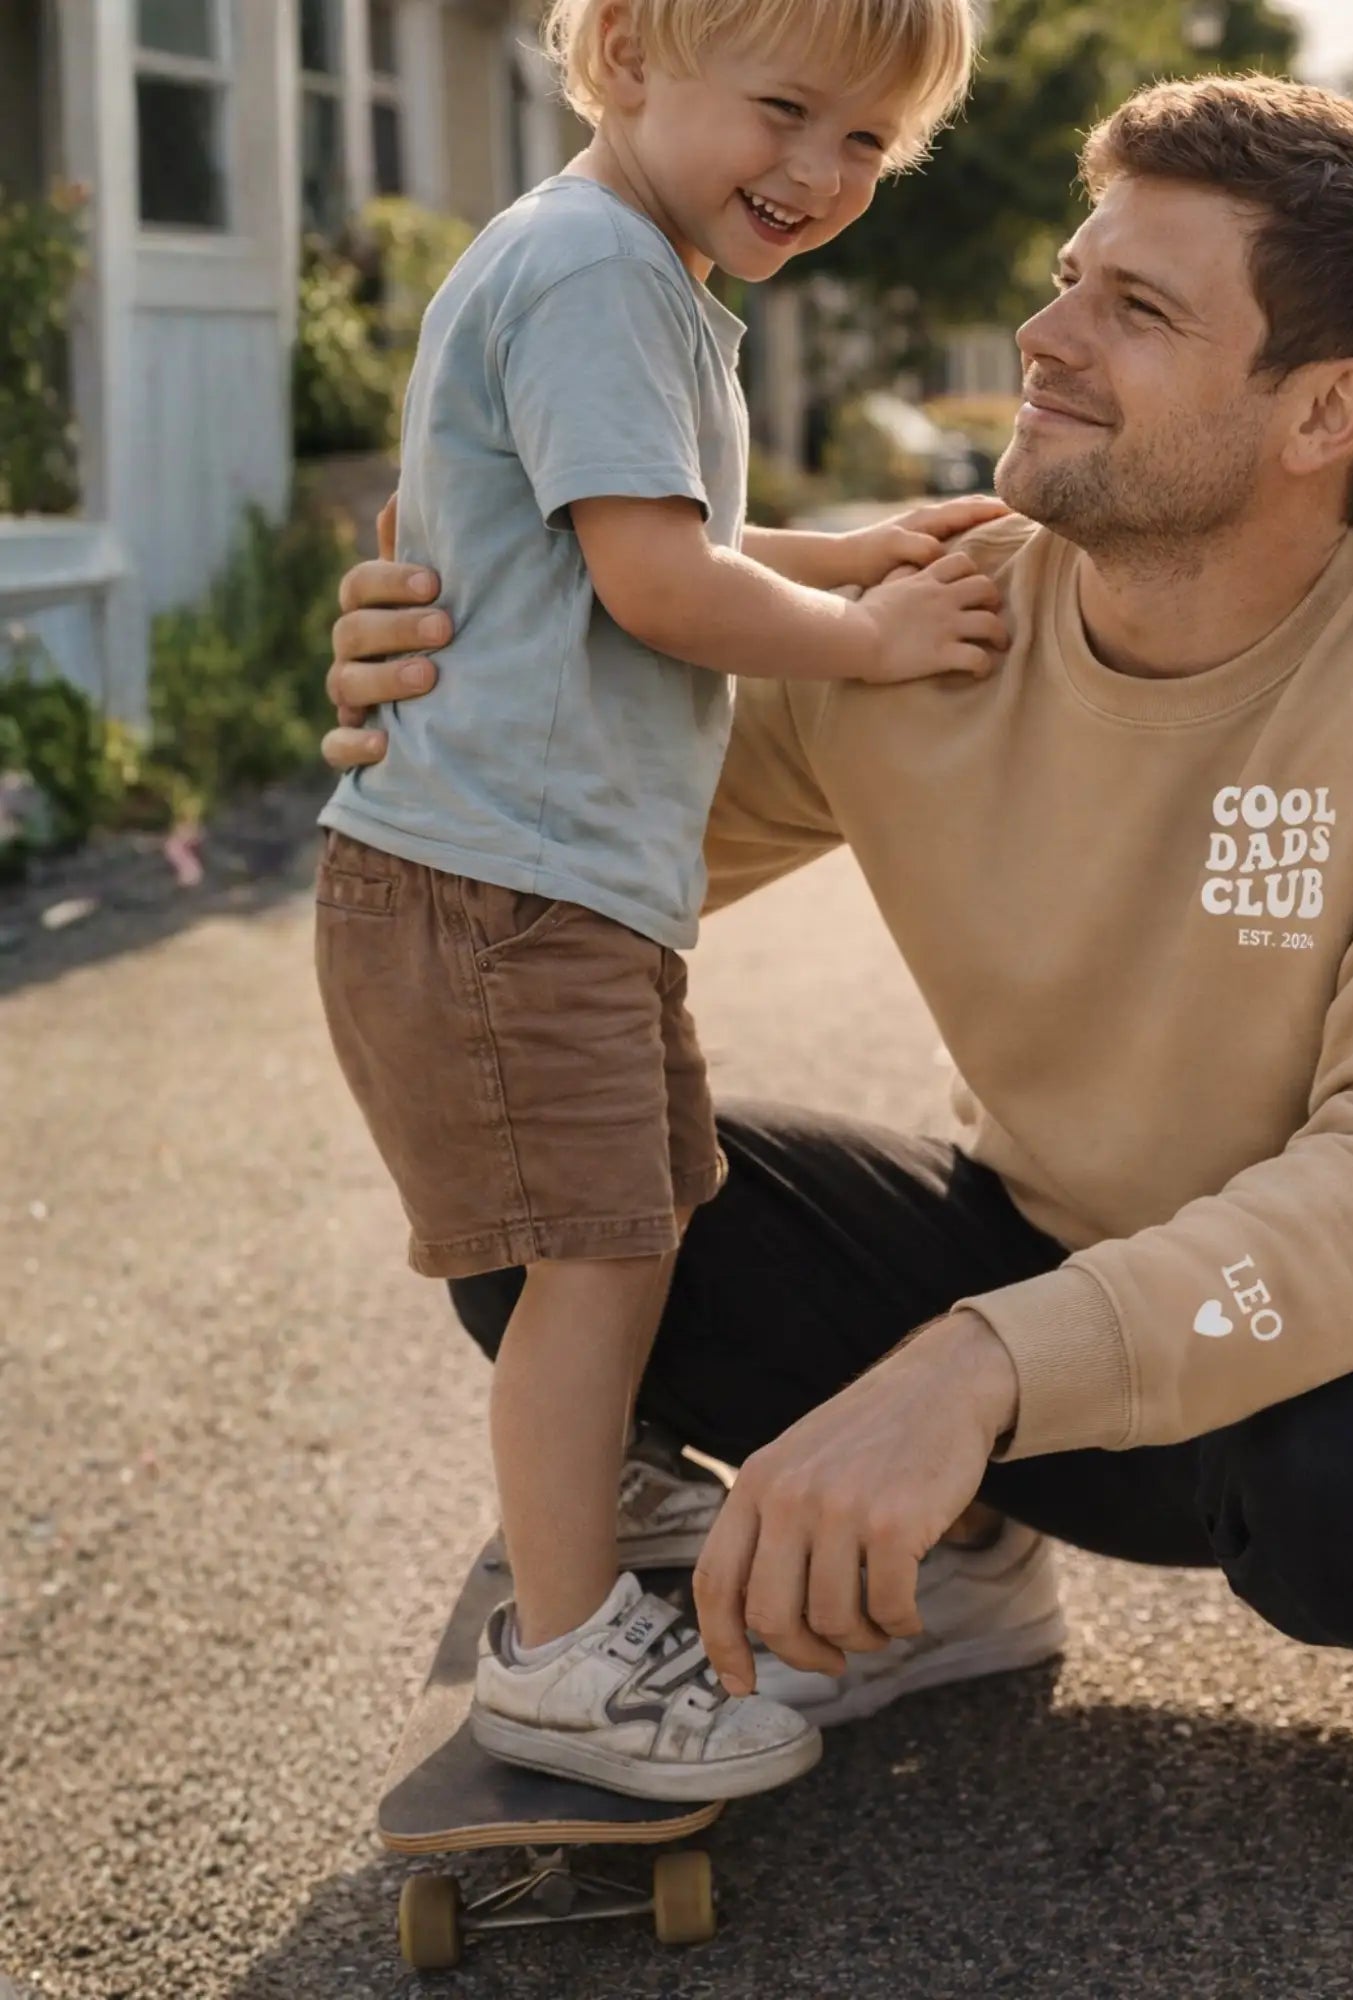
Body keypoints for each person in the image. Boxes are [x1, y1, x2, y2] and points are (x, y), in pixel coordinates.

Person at [325, 74, 1353, 1903]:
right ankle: (951, 1570)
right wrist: (449, 695)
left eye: (1137, 311)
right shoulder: (931, 614)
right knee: (546, 1169)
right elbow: (558, 892)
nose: (1046, 336)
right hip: (1029, 1283)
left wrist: (976, 1367)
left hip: (1347, 1355)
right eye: (1072, 277)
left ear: (1326, 411)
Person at [314, 0, 1008, 1805]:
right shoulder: (602, 275)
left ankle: (604, 1504)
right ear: (623, 51)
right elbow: (650, 580)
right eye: (785, 109)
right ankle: (561, 1653)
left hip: (547, 890)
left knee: (647, 1207)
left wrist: (839, 550)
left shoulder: (631, 267)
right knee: (602, 1250)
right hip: (499, 889)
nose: (818, 172)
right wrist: (866, 636)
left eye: (867, 142)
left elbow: (667, 524)